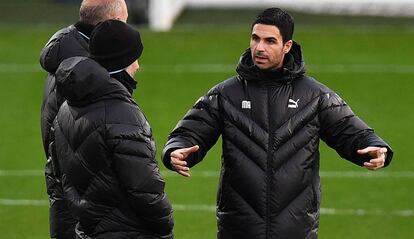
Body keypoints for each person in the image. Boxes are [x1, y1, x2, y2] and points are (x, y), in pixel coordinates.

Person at [162, 7, 393, 239]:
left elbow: (349, 130)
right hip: (240, 229)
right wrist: (178, 150)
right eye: (255, 38)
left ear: (287, 46)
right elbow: (191, 130)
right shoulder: (225, 94)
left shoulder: (314, 96)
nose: (260, 47)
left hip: (295, 229)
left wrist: (372, 147)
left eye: (270, 41)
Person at [50, 20, 174, 239]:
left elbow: (57, 178)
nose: (138, 66)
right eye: (135, 58)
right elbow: (145, 189)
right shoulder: (122, 115)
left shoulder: (66, 108)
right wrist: (164, 227)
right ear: (123, 62)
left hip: (86, 230)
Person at [39, 1, 128, 238]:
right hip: (83, 191)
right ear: (115, 23)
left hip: (68, 183)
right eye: (125, 22)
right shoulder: (85, 72)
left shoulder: (68, 56)